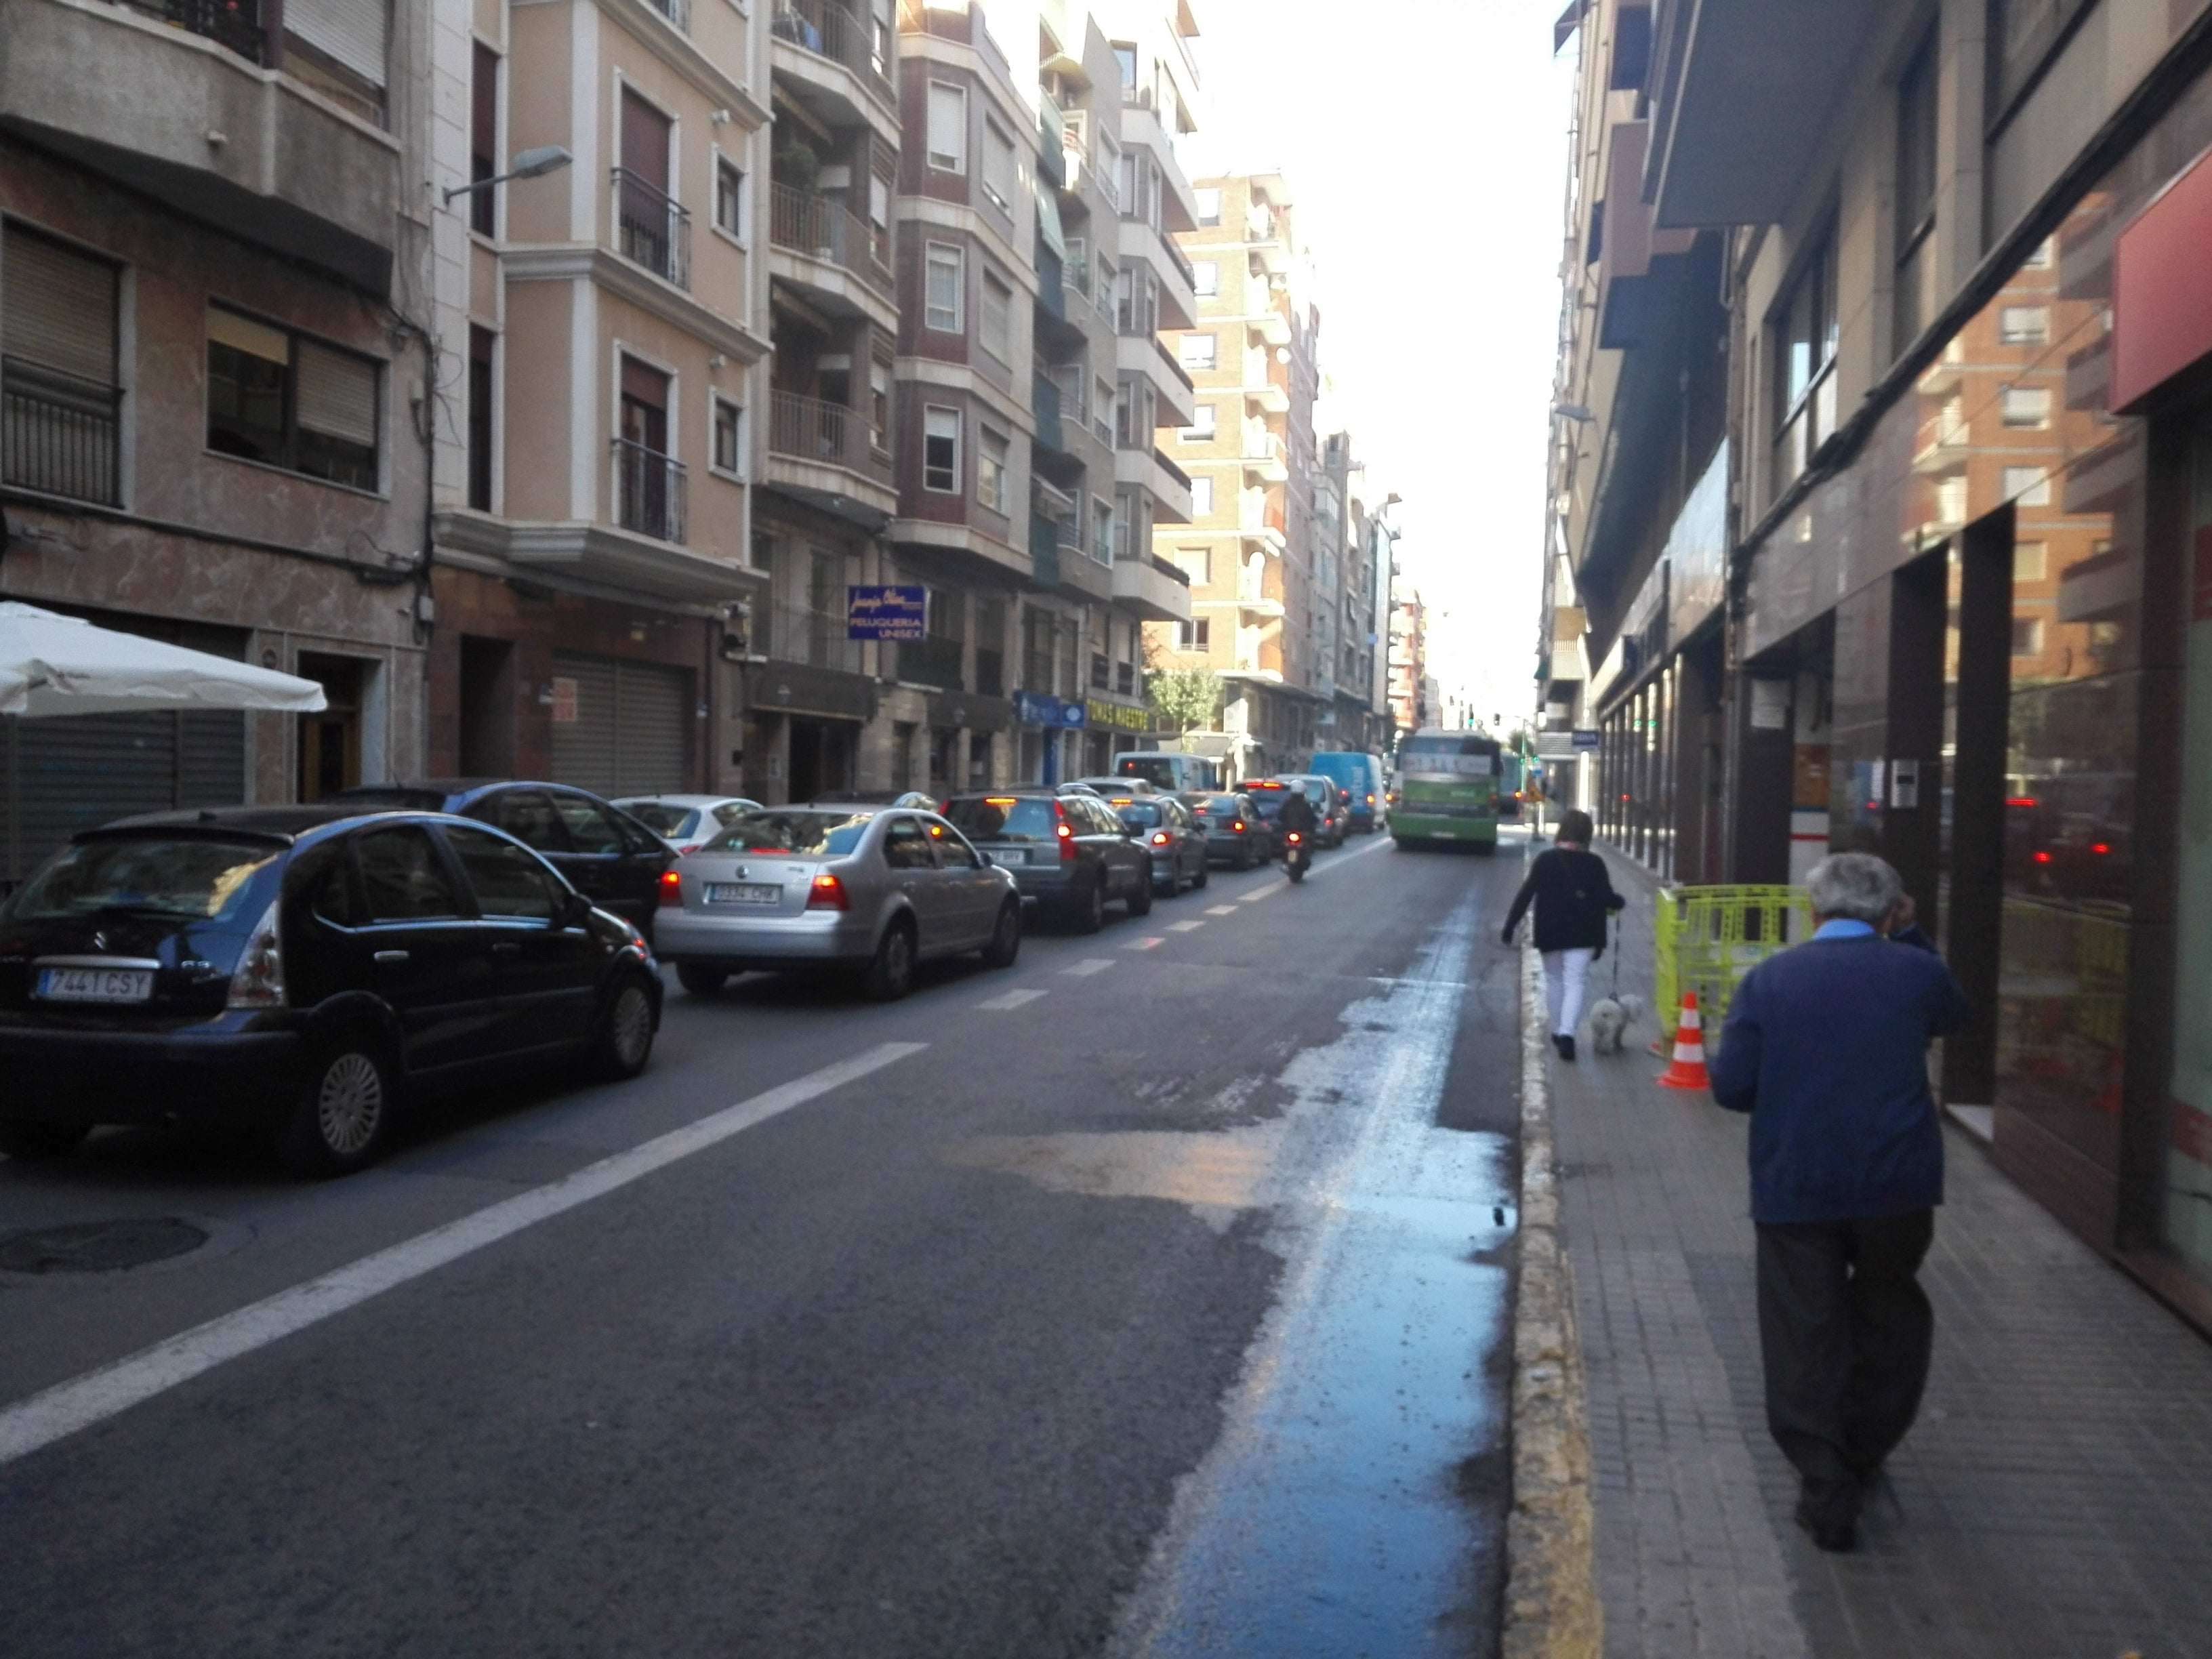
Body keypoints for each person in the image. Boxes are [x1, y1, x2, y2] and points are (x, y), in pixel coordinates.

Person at [1708, 852, 1971, 1554]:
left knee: (1803, 1332)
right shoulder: (1917, 973)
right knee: (1890, 1315)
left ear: (1813, 912)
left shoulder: (1771, 980)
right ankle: (1864, 1448)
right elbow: (1956, 1014)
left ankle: (1826, 1491)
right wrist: (1911, 936)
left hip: (1799, 1186)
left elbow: (1731, 1089)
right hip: (1897, 1185)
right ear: (1891, 913)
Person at [1500, 808, 1624, 1061]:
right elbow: (1606, 898)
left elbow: (1526, 895)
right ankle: (1568, 1034)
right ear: (1587, 835)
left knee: (1555, 980)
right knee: (1575, 981)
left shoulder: (1546, 860)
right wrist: (1619, 902)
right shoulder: (1595, 864)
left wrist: (1510, 926)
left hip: (1550, 932)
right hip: (1584, 935)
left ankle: (1558, 1031)